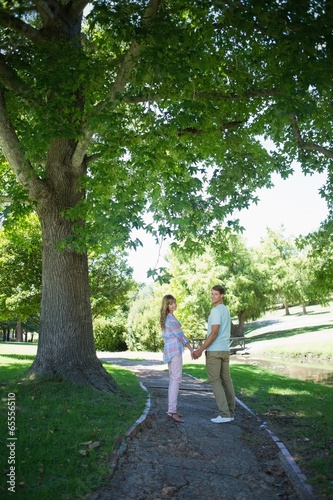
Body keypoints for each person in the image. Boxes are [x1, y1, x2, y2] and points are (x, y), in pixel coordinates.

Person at [193, 285, 235, 423]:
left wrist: (200, 349)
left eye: (216, 294)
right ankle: (230, 412)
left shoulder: (216, 311)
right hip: (225, 350)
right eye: (211, 294)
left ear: (222, 295)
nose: (213, 297)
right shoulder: (226, 310)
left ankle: (225, 415)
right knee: (226, 380)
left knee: (215, 381)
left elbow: (214, 332)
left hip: (215, 351)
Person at [160, 294, 194, 423]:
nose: (173, 305)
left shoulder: (168, 318)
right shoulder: (171, 319)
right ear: (166, 306)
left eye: (174, 302)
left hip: (170, 352)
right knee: (176, 380)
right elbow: (181, 337)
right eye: (170, 303)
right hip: (174, 352)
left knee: (173, 379)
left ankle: (172, 409)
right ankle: (172, 411)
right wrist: (192, 350)